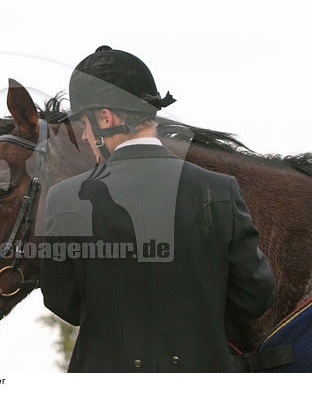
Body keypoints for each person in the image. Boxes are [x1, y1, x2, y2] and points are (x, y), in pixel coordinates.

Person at [40, 46, 275, 372]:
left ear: (105, 118)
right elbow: (255, 296)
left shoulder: (65, 198)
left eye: (84, 124)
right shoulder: (220, 190)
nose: (83, 134)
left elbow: (60, 299)